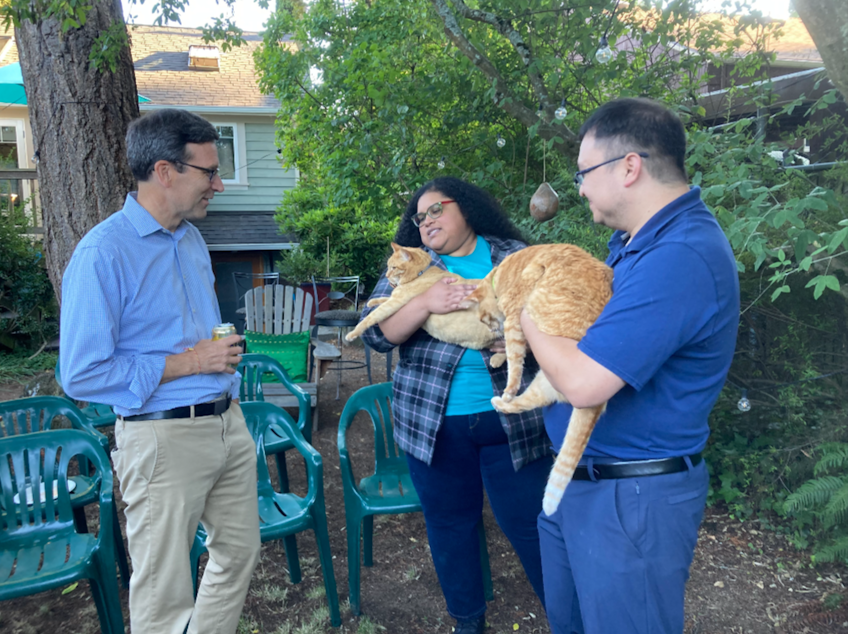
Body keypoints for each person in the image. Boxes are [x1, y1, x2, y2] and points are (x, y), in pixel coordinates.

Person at [520, 98, 740, 634]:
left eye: (584, 172)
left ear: (629, 167)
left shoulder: (681, 256)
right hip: (582, 484)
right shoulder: (635, 244)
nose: (579, 187)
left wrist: (526, 312)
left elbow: (585, 382)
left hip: (630, 502)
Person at [60, 109, 260, 634]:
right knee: (163, 589)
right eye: (209, 172)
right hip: (161, 438)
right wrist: (192, 362)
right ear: (165, 171)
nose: (217, 184)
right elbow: (80, 373)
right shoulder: (102, 252)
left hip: (226, 423)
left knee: (239, 553)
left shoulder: (190, 238)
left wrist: (215, 358)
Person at [360, 177, 552, 634]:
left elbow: (555, 319)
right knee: (451, 526)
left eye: (436, 210)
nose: (425, 221)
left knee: (532, 525)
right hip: (434, 423)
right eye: (419, 216)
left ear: (465, 207)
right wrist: (425, 301)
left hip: (512, 419)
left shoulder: (515, 256)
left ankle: (567, 612)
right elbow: (374, 333)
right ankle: (468, 621)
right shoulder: (413, 265)